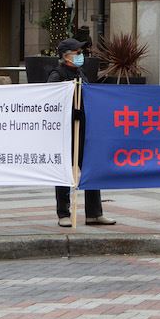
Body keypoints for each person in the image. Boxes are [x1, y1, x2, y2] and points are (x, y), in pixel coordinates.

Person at [50, 38, 116, 227]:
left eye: (81, 52)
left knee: (90, 168)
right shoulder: (57, 75)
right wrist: (72, 111)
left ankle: (94, 213)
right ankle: (64, 214)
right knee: (65, 172)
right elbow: (51, 102)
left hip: (85, 130)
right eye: (77, 53)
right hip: (66, 132)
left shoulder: (81, 73)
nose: (81, 56)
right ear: (65, 56)